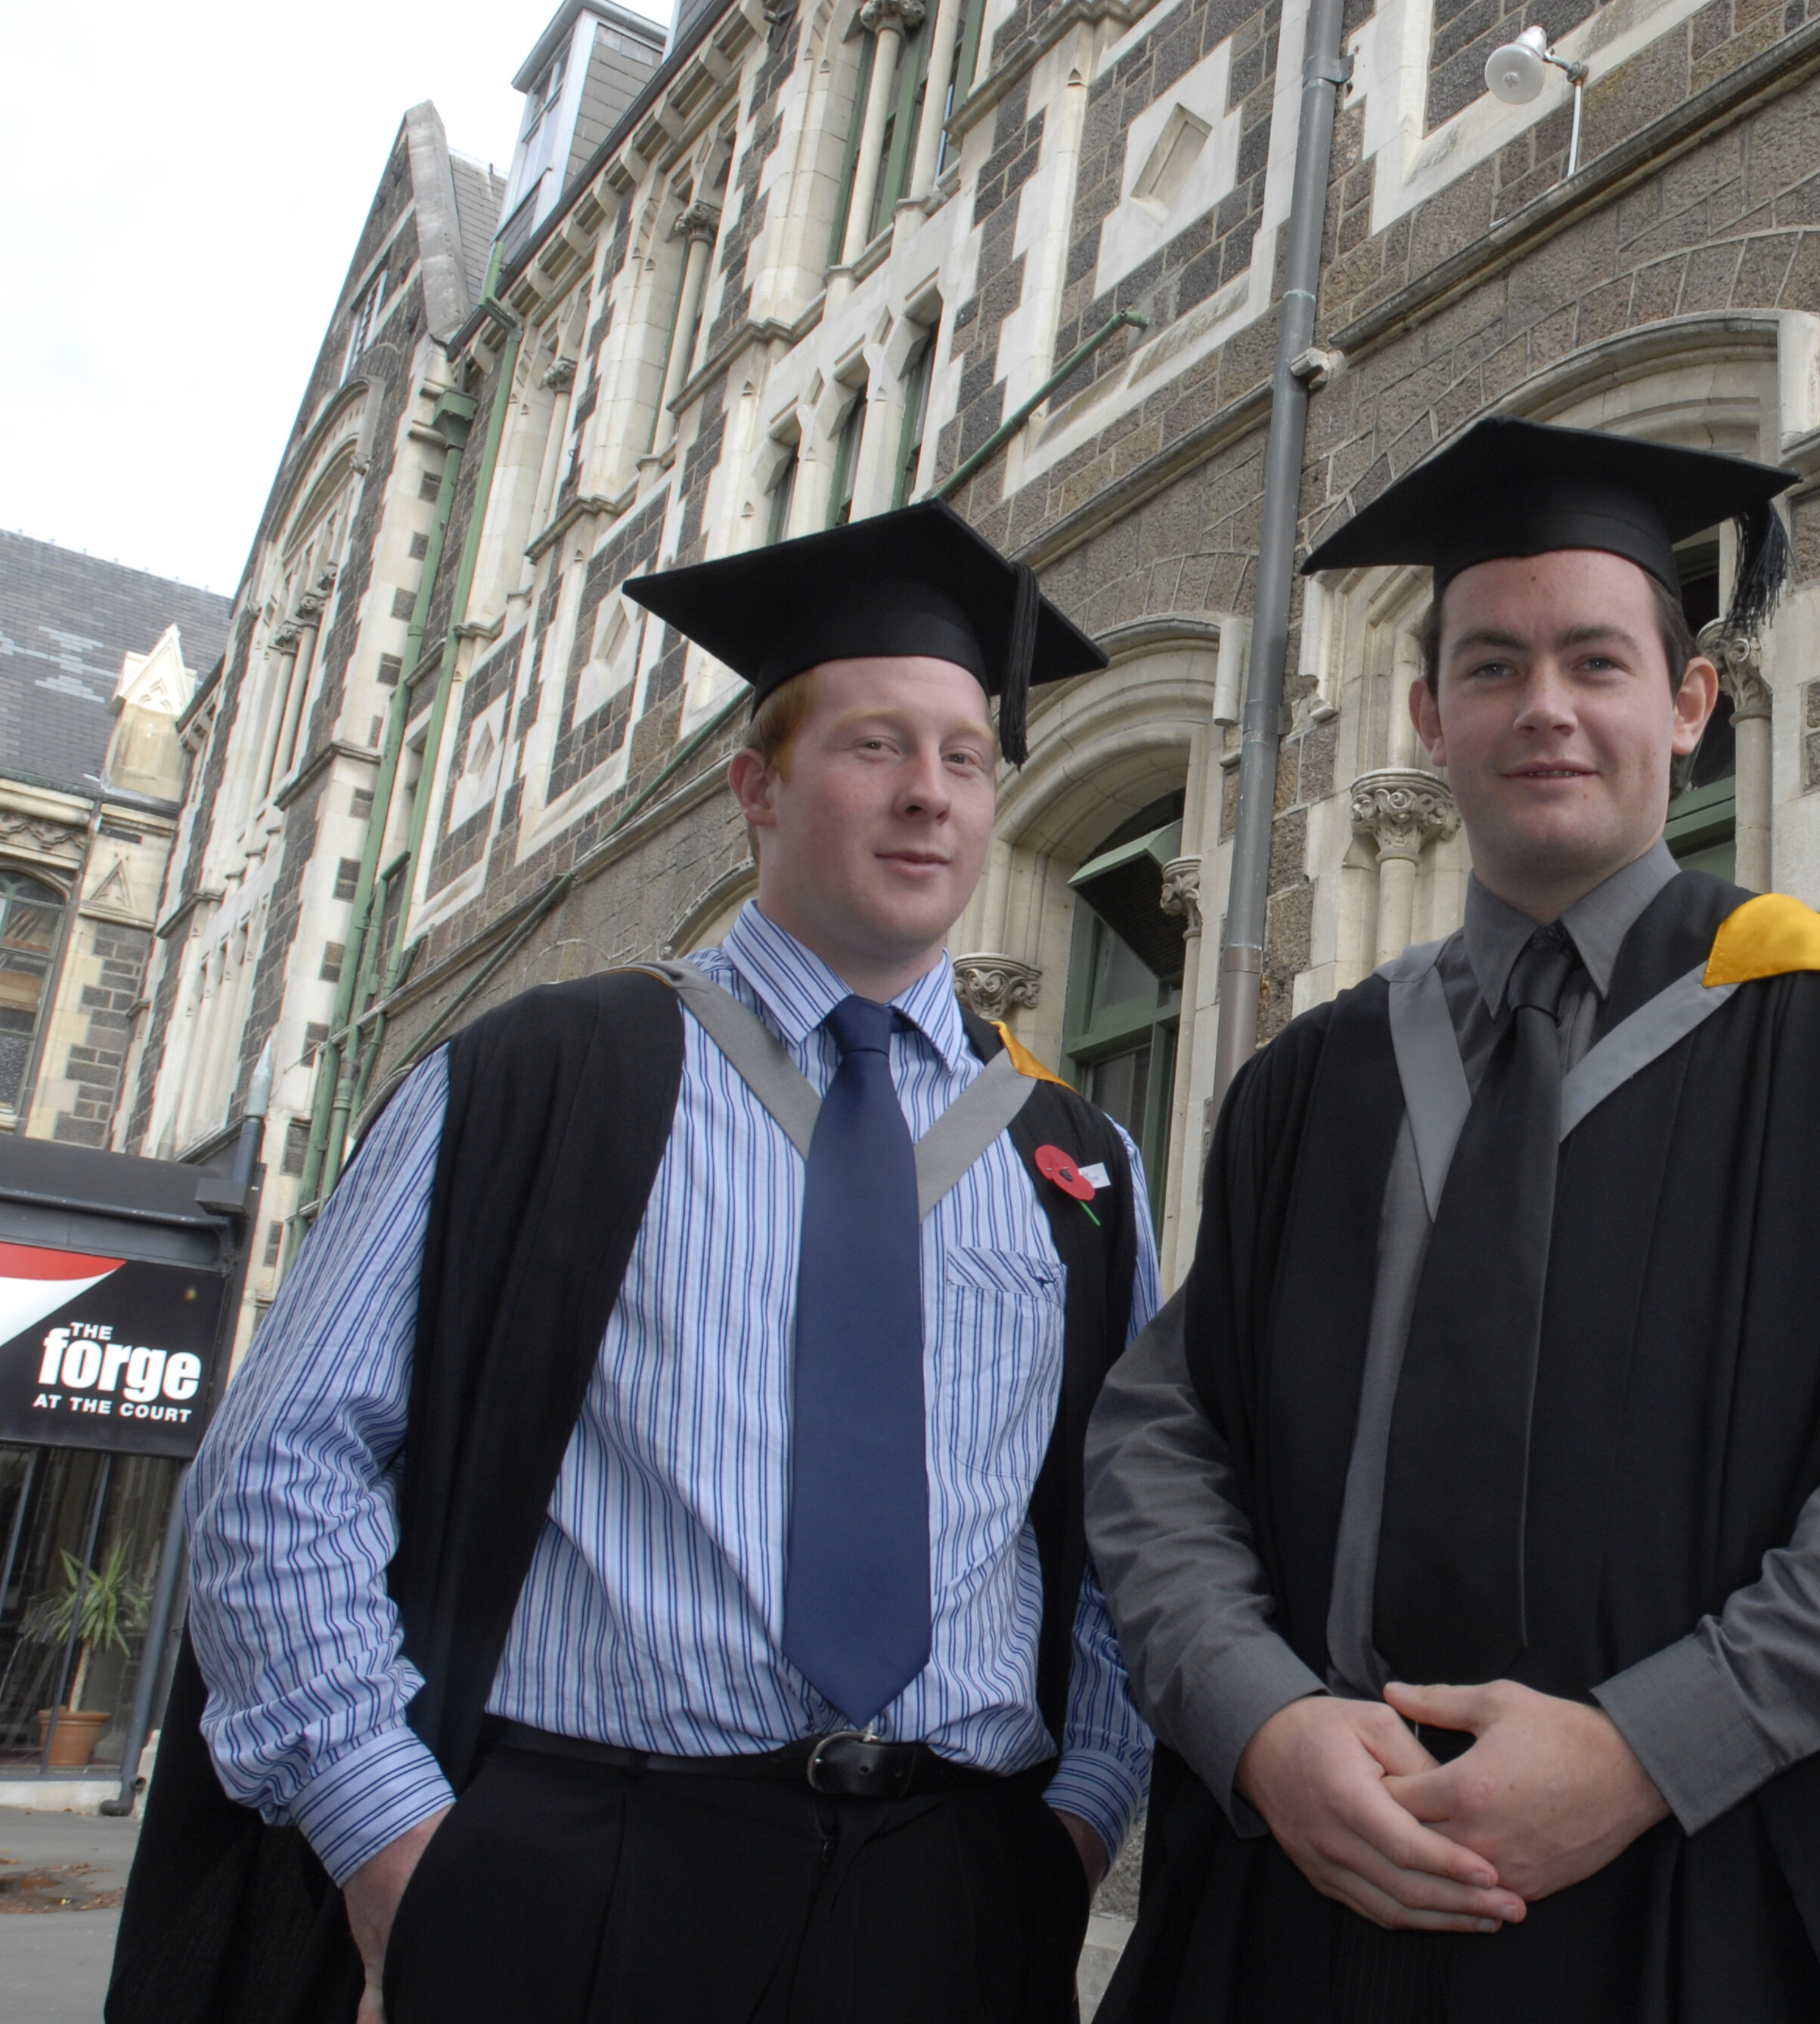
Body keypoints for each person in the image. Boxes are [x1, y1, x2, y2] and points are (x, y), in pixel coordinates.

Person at [110, 500, 1161, 2024]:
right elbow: (279, 1464)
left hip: (959, 1884)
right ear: (755, 785)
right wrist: (388, 1831)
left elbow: (1122, 1537)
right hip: (586, 1873)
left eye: (965, 756)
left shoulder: (1074, 1162)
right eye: (873, 745)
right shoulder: (545, 1077)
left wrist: (1078, 1818)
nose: (928, 794)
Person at [1083, 416, 1820, 2023]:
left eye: (1595, 662)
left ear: (1688, 705)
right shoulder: (1305, 1085)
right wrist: (1254, 1718)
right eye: (1491, 665)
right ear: (1427, 715)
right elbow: (1161, 1440)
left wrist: (1657, 1739)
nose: (1543, 707)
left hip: (1700, 1891)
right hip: (1323, 1888)